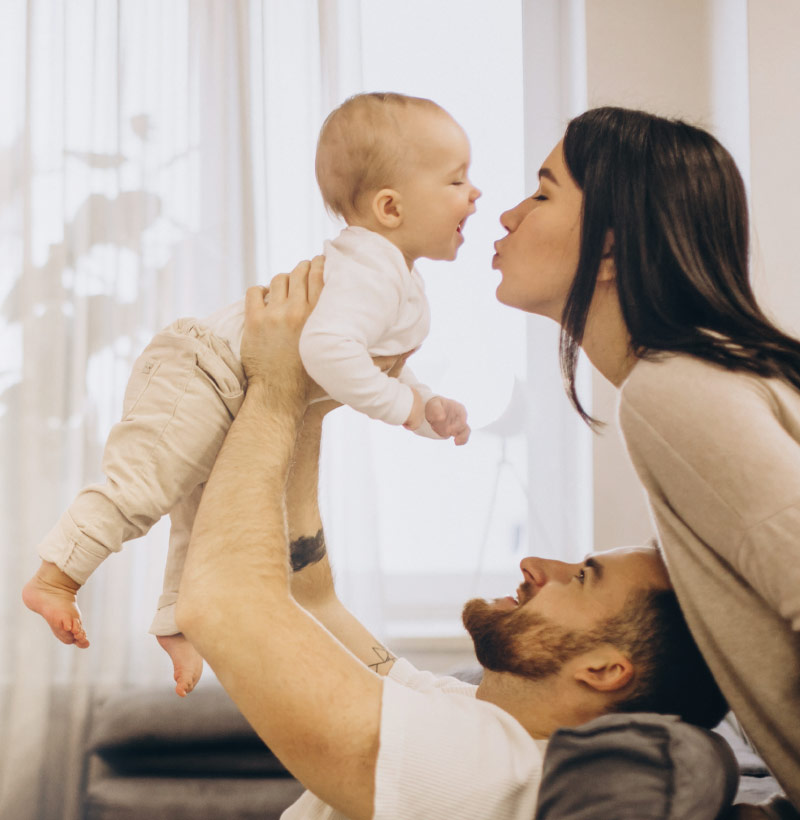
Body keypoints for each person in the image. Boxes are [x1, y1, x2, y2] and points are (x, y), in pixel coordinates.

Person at [176, 257, 727, 820]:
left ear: (605, 669)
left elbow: (219, 605)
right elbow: (312, 601)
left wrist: (274, 390)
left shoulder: (486, 771)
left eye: (582, 578)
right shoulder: (468, 713)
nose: (537, 564)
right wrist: (312, 405)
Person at [21, 92, 475, 696]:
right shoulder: (373, 270)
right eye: (457, 180)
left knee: (205, 516)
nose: (474, 195)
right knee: (143, 487)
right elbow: (326, 352)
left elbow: (368, 360)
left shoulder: (397, 278)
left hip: (235, 387)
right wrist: (404, 408)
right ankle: (55, 578)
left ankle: (176, 619)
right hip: (202, 368)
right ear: (390, 206)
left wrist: (424, 407)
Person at [492, 106, 800, 813]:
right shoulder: (718, 377)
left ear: (608, 249)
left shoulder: (676, 390)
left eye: (542, 193)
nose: (507, 215)